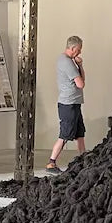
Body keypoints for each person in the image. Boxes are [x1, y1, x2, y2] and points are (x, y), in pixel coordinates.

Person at [46, 36, 86, 174]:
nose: (79, 53)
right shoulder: (66, 62)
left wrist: (80, 65)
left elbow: (80, 83)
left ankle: (83, 160)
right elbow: (81, 84)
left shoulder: (68, 61)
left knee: (80, 134)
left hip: (74, 103)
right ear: (73, 48)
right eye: (79, 50)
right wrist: (79, 66)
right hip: (68, 104)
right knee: (65, 135)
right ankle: (51, 163)